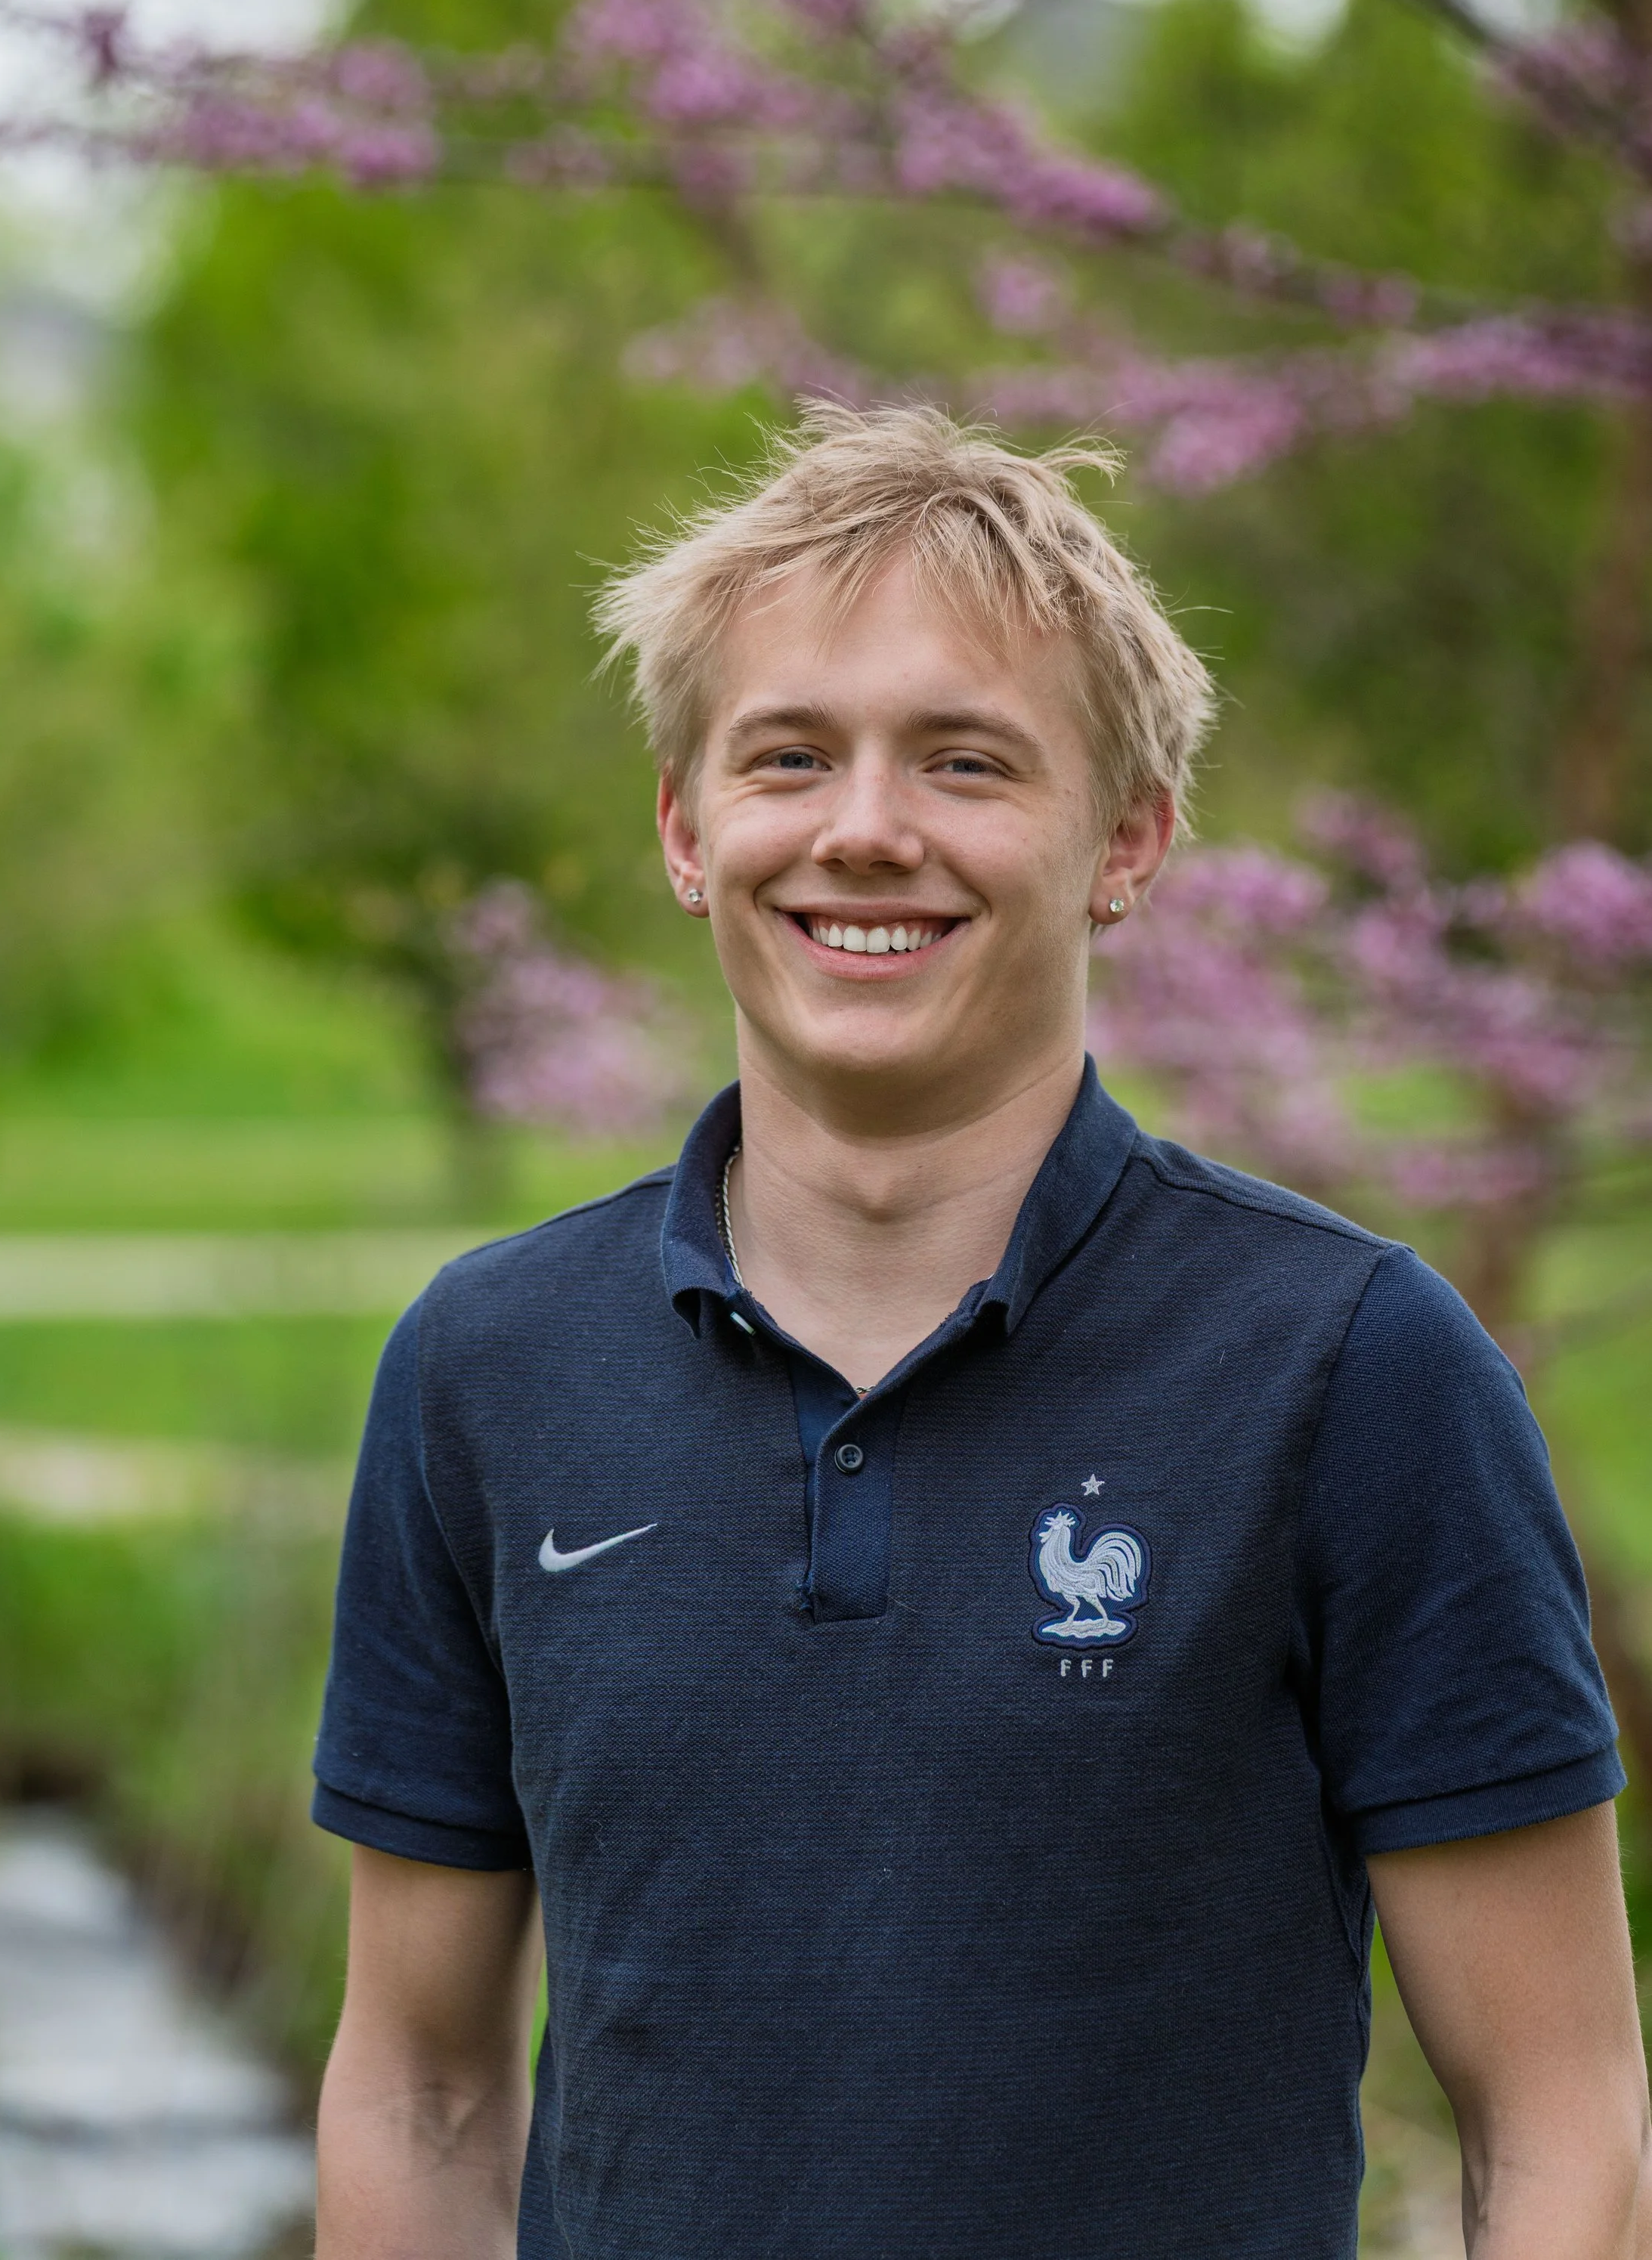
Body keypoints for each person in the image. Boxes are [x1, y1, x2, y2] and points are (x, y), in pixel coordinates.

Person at [311, 405, 1649, 2260]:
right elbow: (419, 2087)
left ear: (1127, 840)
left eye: (962, 762)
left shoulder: (1354, 1369)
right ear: (689, 832)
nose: (864, 831)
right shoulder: (483, 1368)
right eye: (790, 756)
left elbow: (1560, 2126)